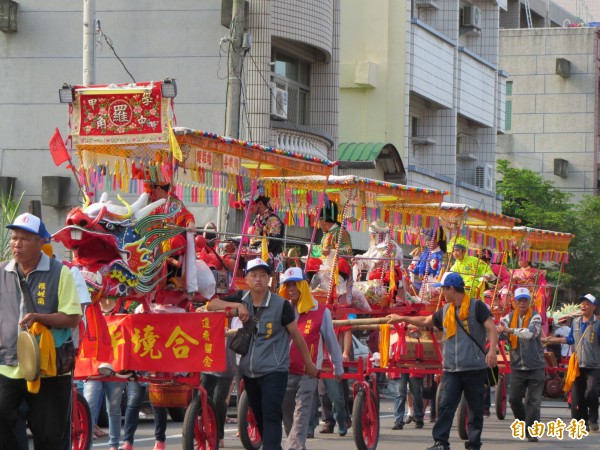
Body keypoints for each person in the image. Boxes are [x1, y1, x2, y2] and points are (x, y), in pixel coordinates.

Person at [207, 259, 318, 450]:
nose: (258, 279)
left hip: (275, 371)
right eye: (253, 275)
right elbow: (211, 305)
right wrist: (237, 308)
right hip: (249, 372)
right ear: (247, 279)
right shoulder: (242, 297)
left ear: (269, 279)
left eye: (262, 275)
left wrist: (309, 363)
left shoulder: (281, 305)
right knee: (260, 419)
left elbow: (296, 336)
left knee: (271, 415)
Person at [387, 272, 498, 450]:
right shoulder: (446, 310)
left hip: (474, 368)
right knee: (445, 407)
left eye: (443, 290)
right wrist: (402, 318)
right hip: (451, 370)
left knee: (475, 410)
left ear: (451, 289)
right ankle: (441, 442)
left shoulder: (477, 307)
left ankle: (474, 444)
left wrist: (492, 350)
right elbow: (425, 320)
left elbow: (492, 328)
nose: (442, 294)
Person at [0, 213, 82, 450]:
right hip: (7, 366)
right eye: (14, 238)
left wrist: (40, 318)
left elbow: (72, 318)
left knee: (49, 436)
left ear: (41, 242)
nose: (16, 243)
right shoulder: (2, 272)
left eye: (24, 238)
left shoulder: (60, 273)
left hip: (49, 369)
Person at [279, 267, 344, 450]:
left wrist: (338, 367)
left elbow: (331, 342)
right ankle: (296, 444)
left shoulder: (321, 312)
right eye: (287, 285)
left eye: (295, 285)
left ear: (304, 286)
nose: (291, 289)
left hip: (309, 371)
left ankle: (294, 447)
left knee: (302, 411)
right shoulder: (283, 310)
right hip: (284, 369)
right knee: (287, 411)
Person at [543, 293, 600, 432]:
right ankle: (583, 422)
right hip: (577, 365)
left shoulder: (598, 324)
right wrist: (550, 340)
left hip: (594, 365)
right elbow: (570, 339)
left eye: (587, 303)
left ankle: (593, 418)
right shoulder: (575, 322)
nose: (583, 305)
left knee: (591, 393)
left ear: (594, 307)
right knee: (578, 395)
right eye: (582, 303)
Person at [497, 287, 545, 442]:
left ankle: (532, 431)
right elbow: (499, 329)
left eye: (525, 300)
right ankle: (526, 424)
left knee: (533, 401)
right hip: (517, 366)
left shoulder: (536, 317)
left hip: (535, 366)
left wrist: (509, 330)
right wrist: (500, 331)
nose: (523, 303)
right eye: (520, 300)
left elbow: (530, 333)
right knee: (514, 400)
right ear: (515, 302)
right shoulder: (508, 317)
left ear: (529, 301)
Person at [247, 194, 285, 260]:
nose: (249, 210)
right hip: (256, 254)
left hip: (270, 256)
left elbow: (273, 242)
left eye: (250, 206)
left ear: (260, 203)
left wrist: (257, 251)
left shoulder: (273, 220)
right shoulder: (258, 218)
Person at [410, 227, 446, 294]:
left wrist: (433, 285)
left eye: (429, 240)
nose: (427, 243)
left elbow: (440, 274)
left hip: (432, 286)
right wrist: (415, 258)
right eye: (426, 240)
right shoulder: (426, 252)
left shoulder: (441, 255)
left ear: (437, 240)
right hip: (421, 283)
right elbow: (417, 269)